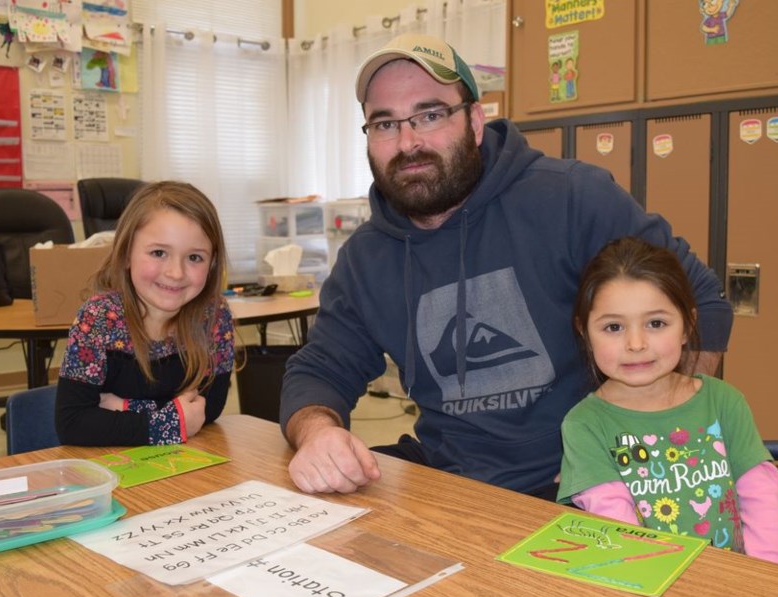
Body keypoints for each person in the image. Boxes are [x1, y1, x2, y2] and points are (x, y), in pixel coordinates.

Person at [280, 33, 734, 500]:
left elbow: (702, 303)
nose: (408, 142)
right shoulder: (365, 259)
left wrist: (657, 434)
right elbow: (320, 369)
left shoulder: (572, 199)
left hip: (589, 484)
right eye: (385, 124)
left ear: (475, 121)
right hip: (451, 483)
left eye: (430, 114)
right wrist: (317, 433)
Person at [557, 237, 778, 565]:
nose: (636, 343)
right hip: (646, 587)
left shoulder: (725, 402)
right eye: (613, 327)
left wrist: (771, 582)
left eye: (656, 323)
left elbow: (762, 502)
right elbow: (617, 531)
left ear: (687, 326)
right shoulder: (584, 425)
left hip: (737, 587)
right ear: (585, 333)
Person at [56, 181, 235, 446]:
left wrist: (125, 407)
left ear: (212, 265)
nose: (176, 273)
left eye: (195, 258)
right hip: (110, 467)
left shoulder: (214, 317)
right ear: (127, 253)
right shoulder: (99, 319)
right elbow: (72, 423)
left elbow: (208, 409)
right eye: (159, 253)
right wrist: (170, 424)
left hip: (178, 464)